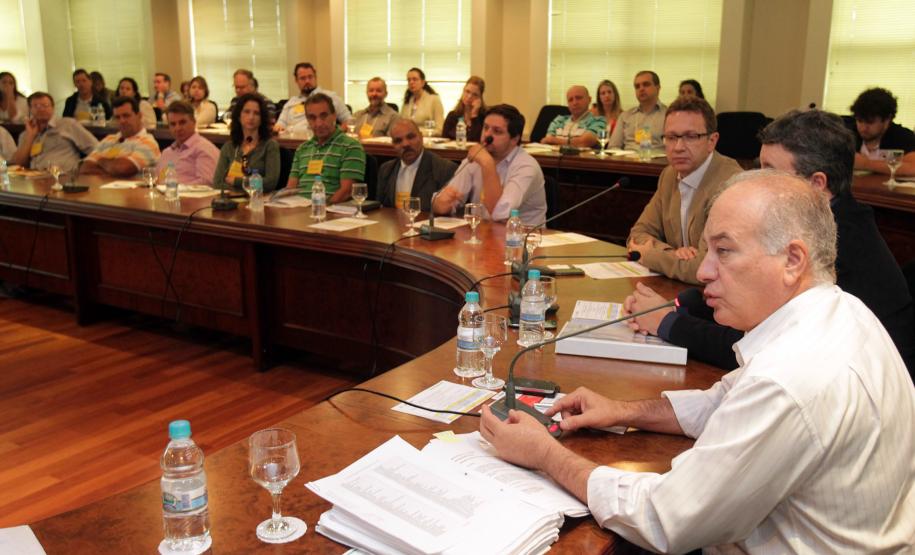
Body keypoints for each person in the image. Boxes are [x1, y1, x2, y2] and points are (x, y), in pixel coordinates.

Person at [481, 170, 915, 553]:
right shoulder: (843, 313)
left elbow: (666, 518)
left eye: (724, 251)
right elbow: (727, 399)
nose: (704, 271)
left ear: (793, 260)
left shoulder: (789, 378)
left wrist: (546, 456)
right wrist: (623, 411)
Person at [625, 109, 915, 376]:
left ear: (816, 185)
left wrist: (668, 323)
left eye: (769, 172)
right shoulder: (823, 222)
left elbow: (757, 346)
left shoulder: (838, 249)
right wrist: (678, 307)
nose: (754, 181)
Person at [627, 97, 742, 284]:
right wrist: (672, 253)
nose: (678, 147)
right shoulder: (669, 175)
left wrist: (651, 255)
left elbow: (708, 268)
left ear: (712, 141)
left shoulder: (731, 185)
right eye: (671, 137)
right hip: (680, 289)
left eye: (690, 137)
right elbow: (638, 234)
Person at [432, 104, 546, 225]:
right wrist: (441, 204)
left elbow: (499, 214)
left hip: (523, 239)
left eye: (497, 131)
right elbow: (441, 201)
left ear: (515, 139)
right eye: (486, 128)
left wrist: (487, 164)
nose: (487, 135)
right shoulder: (478, 157)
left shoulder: (527, 167)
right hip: (484, 234)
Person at [284, 93, 365, 203]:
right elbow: (290, 189)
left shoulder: (351, 147)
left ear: (334, 116)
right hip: (299, 210)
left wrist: (320, 209)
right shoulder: (302, 149)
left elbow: (346, 191)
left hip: (329, 212)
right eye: (312, 118)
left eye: (323, 116)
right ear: (307, 120)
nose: (319, 123)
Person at [377, 119, 457, 212]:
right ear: (393, 145)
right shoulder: (386, 170)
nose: (405, 144)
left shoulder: (444, 169)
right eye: (398, 141)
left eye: (410, 137)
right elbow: (380, 210)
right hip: (394, 225)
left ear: (421, 137)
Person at [11, 92, 98, 174]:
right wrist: (30, 136)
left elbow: (96, 147)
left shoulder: (68, 124)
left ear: (53, 108)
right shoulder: (26, 134)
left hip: (65, 178)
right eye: (36, 106)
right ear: (30, 110)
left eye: (45, 105)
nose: (41, 109)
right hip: (35, 180)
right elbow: (18, 164)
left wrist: (85, 169)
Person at [213, 93, 281, 193]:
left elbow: (270, 183)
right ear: (239, 116)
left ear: (262, 119)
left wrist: (237, 182)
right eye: (246, 112)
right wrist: (249, 187)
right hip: (232, 202)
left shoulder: (270, 146)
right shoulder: (228, 147)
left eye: (256, 113)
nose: (251, 117)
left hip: (258, 202)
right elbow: (217, 183)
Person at [80, 96, 159, 177]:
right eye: (117, 117)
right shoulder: (109, 139)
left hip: (131, 189)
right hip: (103, 188)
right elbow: (85, 168)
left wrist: (101, 160)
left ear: (139, 116)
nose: (122, 121)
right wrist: (112, 170)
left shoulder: (148, 142)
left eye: (126, 116)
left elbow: (123, 169)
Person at [849, 87, 915, 176]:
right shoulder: (847, 132)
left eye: (870, 122)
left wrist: (866, 164)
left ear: (887, 119)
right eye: (859, 121)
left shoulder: (903, 137)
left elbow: (912, 168)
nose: (863, 128)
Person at [155, 101, 219, 186]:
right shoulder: (166, 153)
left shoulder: (204, 149)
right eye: (173, 124)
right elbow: (157, 181)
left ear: (193, 122)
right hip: (164, 197)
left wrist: (175, 189)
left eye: (182, 122)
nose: (177, 128)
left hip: (192, 198)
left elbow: (207, 183)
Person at [274, 62, 351, 132]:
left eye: (310, 77)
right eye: (303, 78)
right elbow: (280, 124)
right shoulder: (291, 102)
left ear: (315, 77)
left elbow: (349, 121)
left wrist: (335, 135)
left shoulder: (331, 97)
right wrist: (278, 129)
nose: (307, 81)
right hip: (291, 144)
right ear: (296, 80)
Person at [608, 70, 667, 150]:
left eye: (646, 85)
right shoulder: (625, 116)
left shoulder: (669, 115)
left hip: (656, 160)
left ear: (658, 88)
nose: (641, 89)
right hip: (627, 160)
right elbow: (613, 146)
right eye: (637, 86)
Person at [541, 85, 605, 148]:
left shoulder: (598, 121)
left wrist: (554, 140)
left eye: (579, 98)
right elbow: (547, 141)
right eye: (570, 100)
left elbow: (584, 142)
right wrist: (574, 142)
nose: (574, 103)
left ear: (589, 99)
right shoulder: (558, 120)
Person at [400, 67, 444, 136]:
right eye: (409, 80)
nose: (411, 82)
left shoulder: (434, 99)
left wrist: (418, 133)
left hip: (427, 140)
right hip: (408, 140)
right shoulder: (407, 101)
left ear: (423, 82)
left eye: (414, 79)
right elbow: (401, 124)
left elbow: (439, 129)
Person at [442, 76, 487, 142]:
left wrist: (474, 115)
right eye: (467, 91)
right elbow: (444, 139)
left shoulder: (484, 117)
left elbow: (476, 140)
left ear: (480, 97)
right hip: (453, 151)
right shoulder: (452, 115)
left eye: (475, 94)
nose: (469, 96)